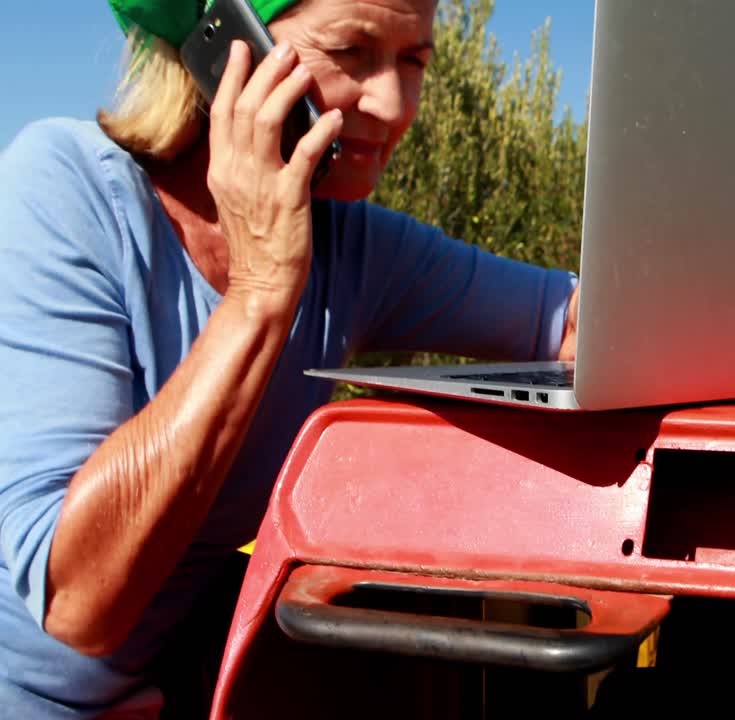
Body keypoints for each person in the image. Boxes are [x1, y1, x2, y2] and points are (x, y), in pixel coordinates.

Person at [0, 0, 580, 716]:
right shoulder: (62, 191)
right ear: (225, 46)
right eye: (351, 52)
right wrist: (262, 289)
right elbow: (78, 604)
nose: (392, 102)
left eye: (413, 60)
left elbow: (580, 323)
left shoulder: (351, 247)